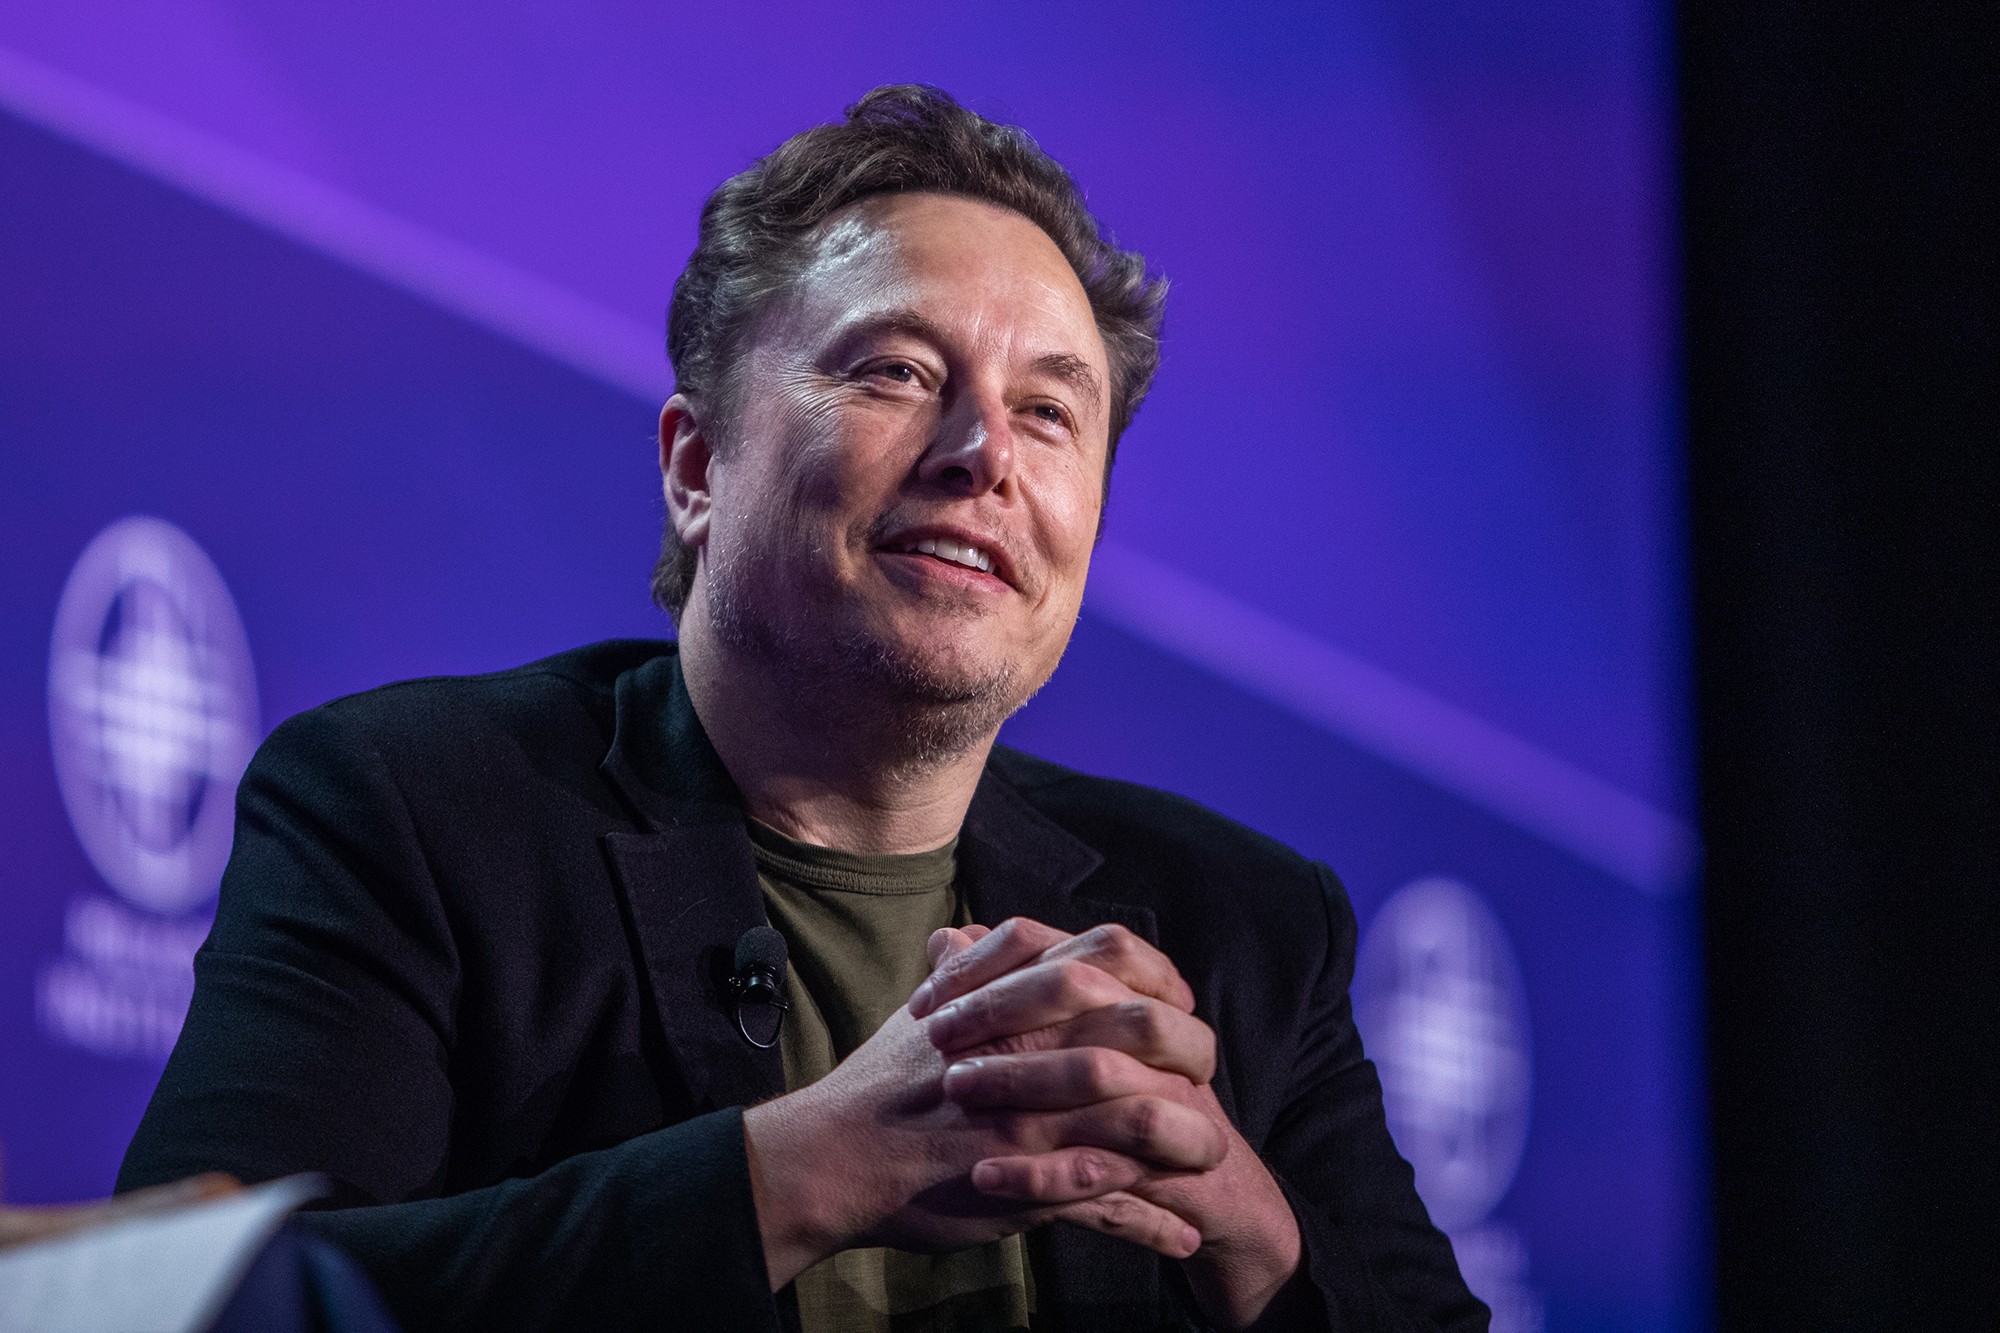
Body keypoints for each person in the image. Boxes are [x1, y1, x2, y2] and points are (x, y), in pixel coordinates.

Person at [119, 86, 1487, 1333]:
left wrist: (1245, 1220)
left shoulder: (1243, 927)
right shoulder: (413, 809)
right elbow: (195, 1304)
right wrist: (804, 1170)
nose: (984, 456)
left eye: (1049, 413)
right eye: (896, 371)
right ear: (696, 467)